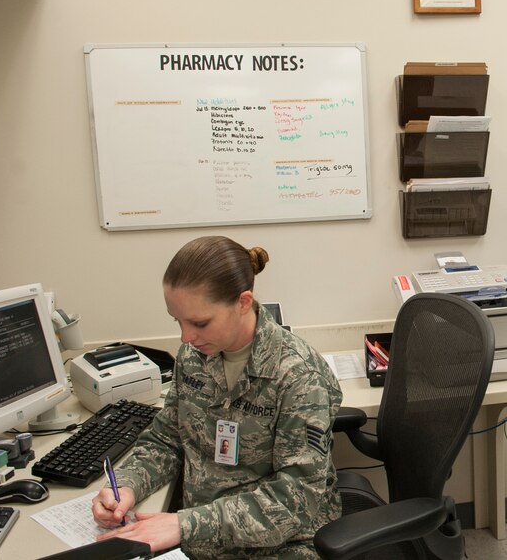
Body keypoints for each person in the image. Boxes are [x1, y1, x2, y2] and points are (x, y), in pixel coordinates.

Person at [91, 236, 343, 559]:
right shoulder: (193, 358)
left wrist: (183, 525)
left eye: (199, 323)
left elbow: (293, 500)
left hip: (281, 546)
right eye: (178, 321)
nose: (185, 337)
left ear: (243, 303)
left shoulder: (296, 375)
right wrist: (124, 486)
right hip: (201, 540)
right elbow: (166, 440)